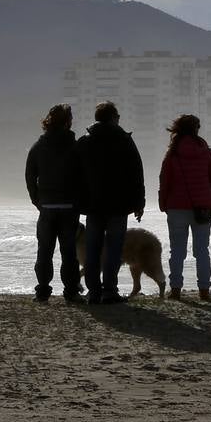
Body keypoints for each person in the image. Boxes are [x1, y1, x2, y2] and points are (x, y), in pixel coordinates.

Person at [76, 101, 145, 304]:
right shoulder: (125, 141)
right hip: (118, 205)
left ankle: (93, 292)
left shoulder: (85, 142)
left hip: (93, 205)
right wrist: (139, 203)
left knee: (93, 249)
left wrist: (78, 200)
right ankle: (109, 291)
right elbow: (136, 174)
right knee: (114, 249)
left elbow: (75, 174)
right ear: (114, 118)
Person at [158, 113, 211, 301]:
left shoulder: (172, 154)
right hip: (203, 208)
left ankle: (176, 289)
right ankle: (204, 291)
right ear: (196, 129)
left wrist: (164, 204)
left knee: (177, 251)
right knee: (202, 251)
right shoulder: (207, 152)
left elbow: (164, 181)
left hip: (176, 208)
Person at [25, 104, 83, 303]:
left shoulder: (38, 146)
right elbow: (84, 177)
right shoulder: (75, 147)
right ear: (68, 122)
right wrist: (79, 201)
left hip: (47, 207)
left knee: (45, 251)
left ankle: (42, 291)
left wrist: (37, 201)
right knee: (69, 253)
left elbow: (30, 176)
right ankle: (71, 292)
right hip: (69, 207)